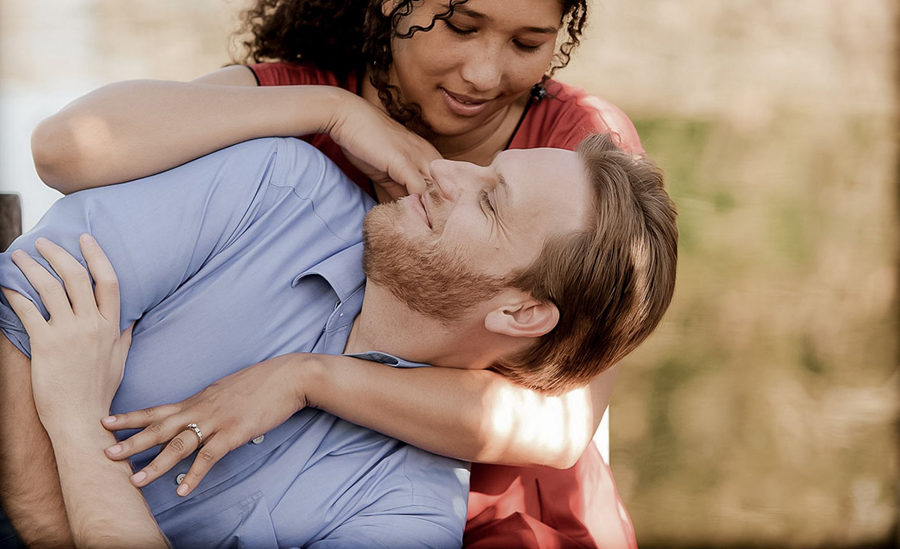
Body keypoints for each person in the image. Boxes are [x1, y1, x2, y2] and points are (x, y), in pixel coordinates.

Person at [20, 0, 650, 546]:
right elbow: (67, 147)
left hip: (499, 509)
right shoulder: (301, 115)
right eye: (459, 26)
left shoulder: (584, 154)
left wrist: (305, 378)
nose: (485, 73)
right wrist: (333, 111)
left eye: (527, 44)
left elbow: (562, 425)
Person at [0, 133, 678, 547]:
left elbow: (42, 350)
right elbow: (19, 300)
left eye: (489, 200)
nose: (445, 172)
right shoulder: (276, 190)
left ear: (522, 313)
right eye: (482, 166)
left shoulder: (403, 512)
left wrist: (69, 421)